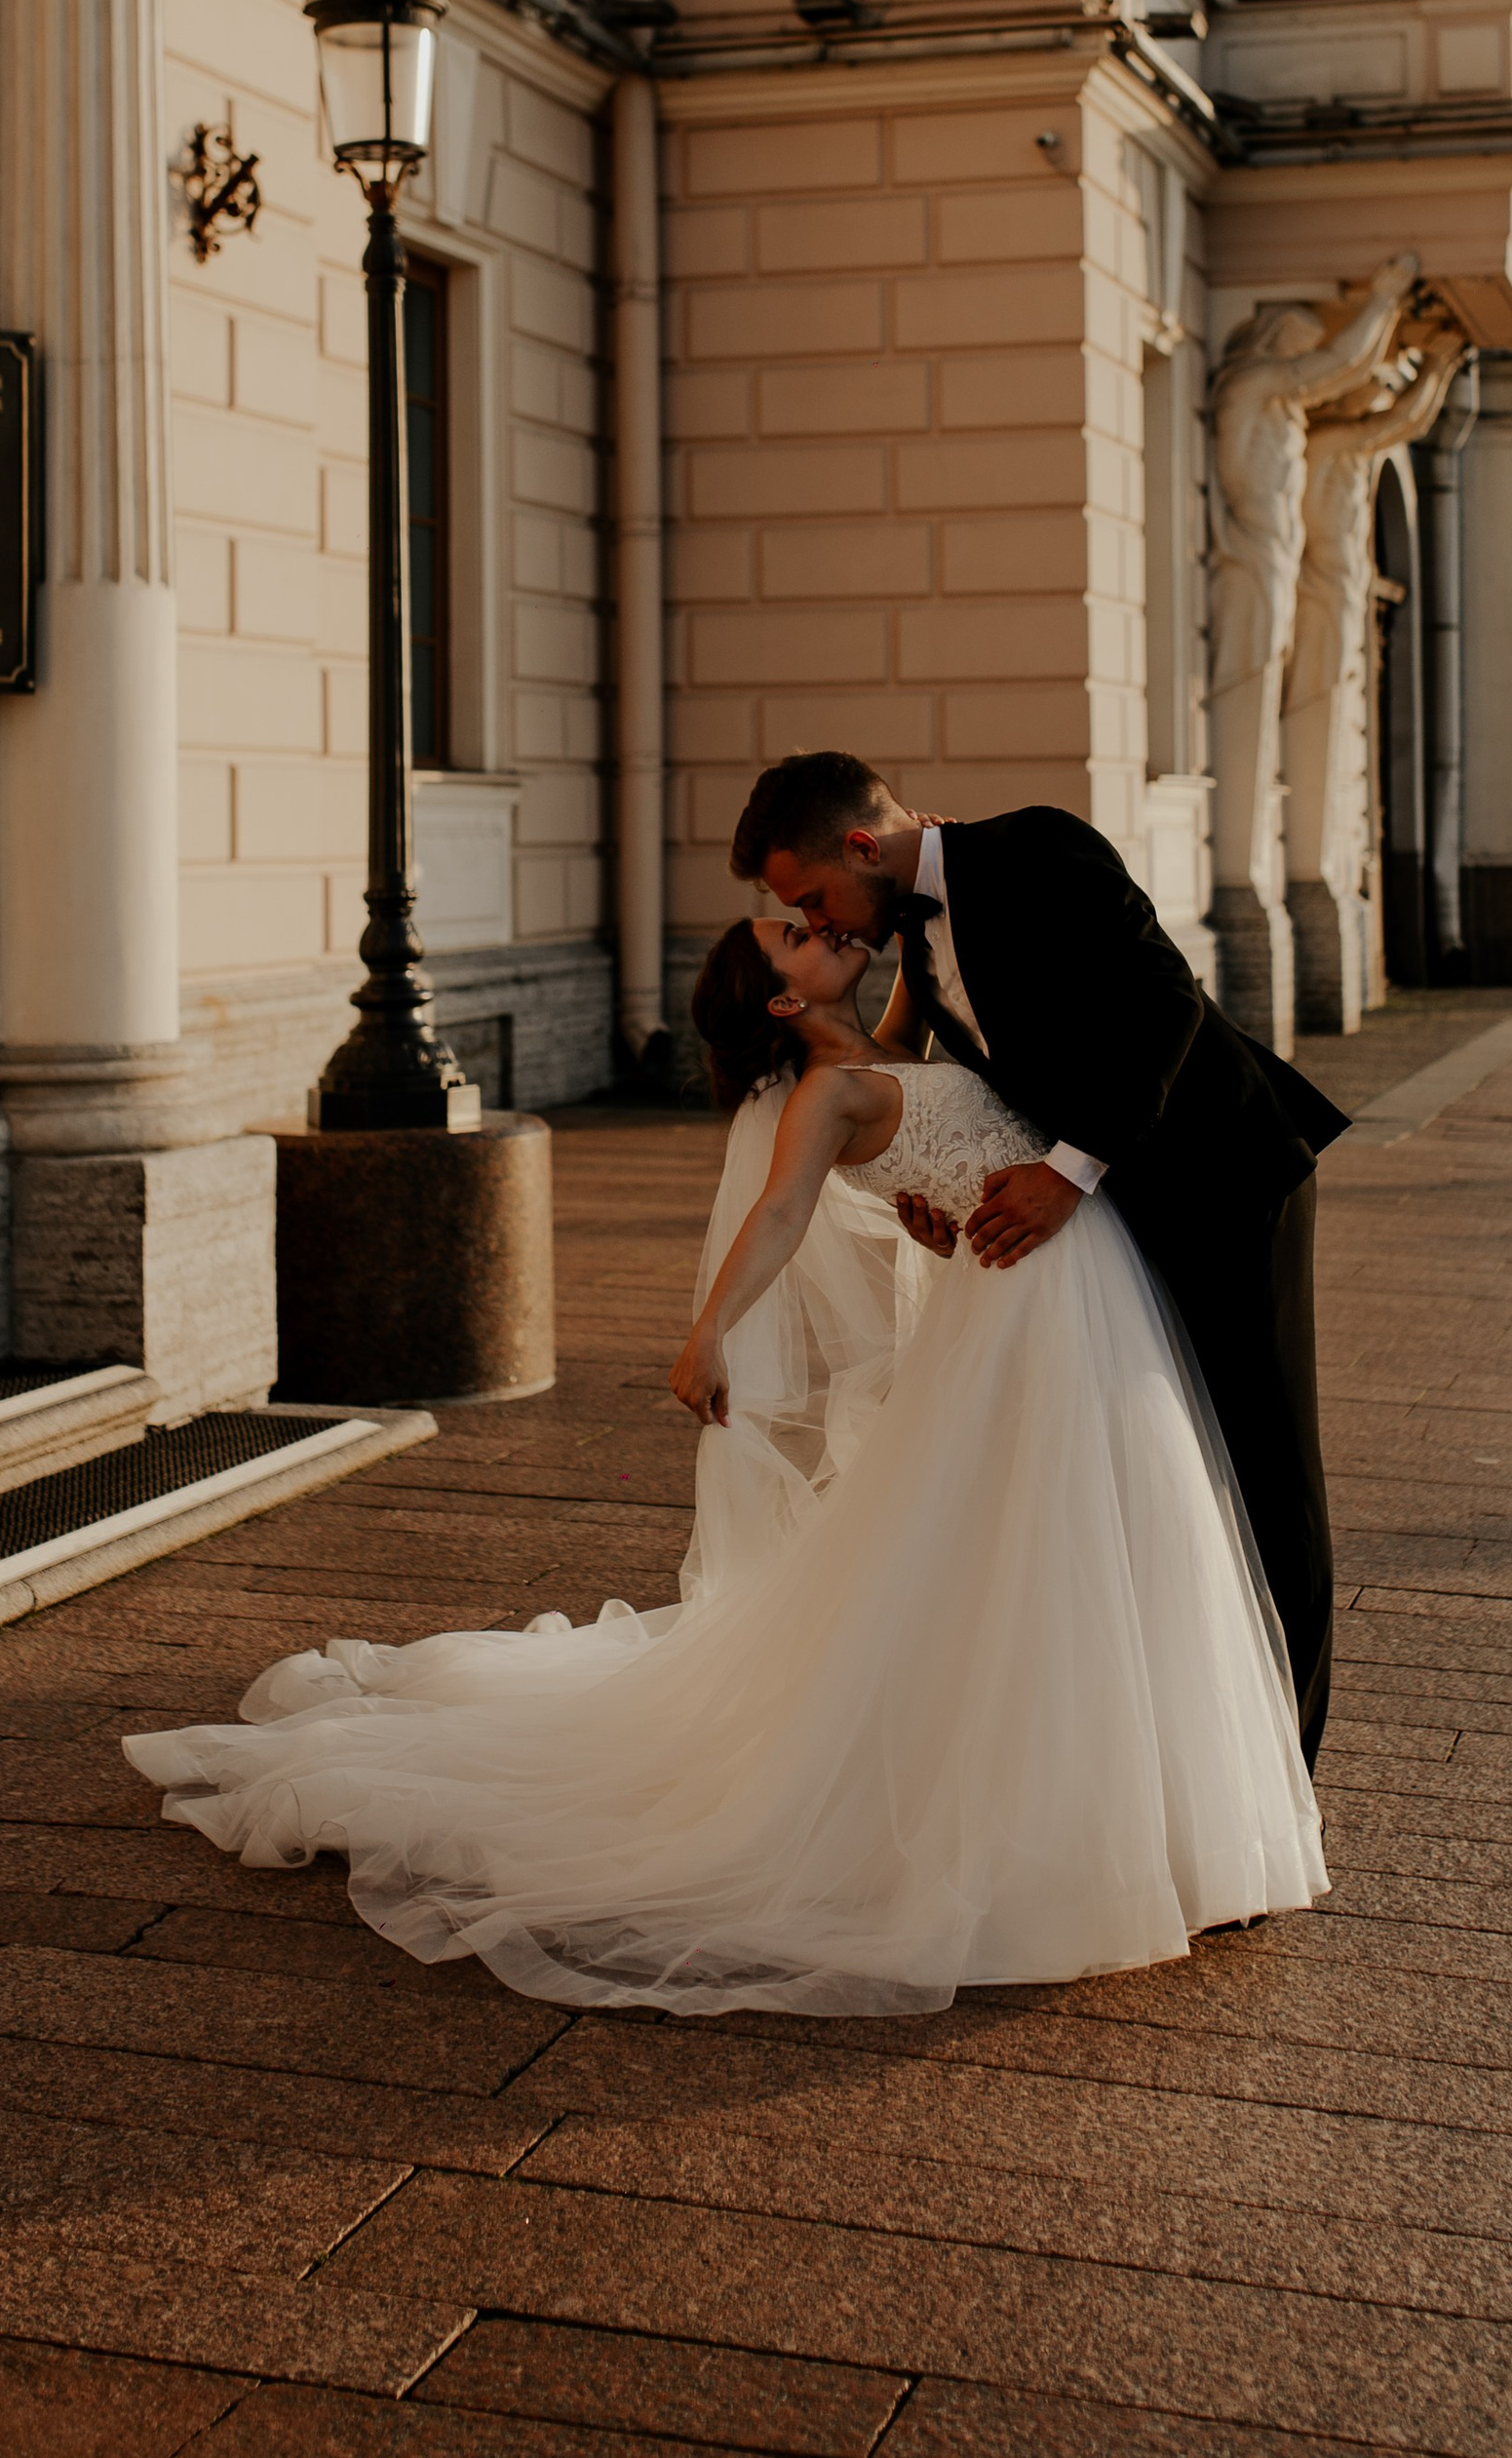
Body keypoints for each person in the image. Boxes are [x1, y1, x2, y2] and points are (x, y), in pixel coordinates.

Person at [122, 906, 1327, 2015]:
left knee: (1100, 1543)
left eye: (812, 920)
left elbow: (955, 1098)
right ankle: (1056, 1831)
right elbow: (783, 1216)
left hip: (1054, 1284)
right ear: (780, 1003)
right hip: (1023, 1309)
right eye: (799, 940)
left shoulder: (908, 1015)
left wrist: (932, 1189)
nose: (824, 934)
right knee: (1035, 1550)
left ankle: (1140, 1815)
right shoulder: (828, 1095)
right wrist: (709, 1333)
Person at [732, 750, 1346, 1758]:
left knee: (1266, 1471)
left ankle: (1290, 1770)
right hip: (1116, 1216)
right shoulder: (916, 959)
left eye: (813, 896)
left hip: (1228, 1181)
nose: (825, 920)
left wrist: (1069, 1171)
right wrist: (928, 1202)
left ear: (859, 844)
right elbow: (953, 1101)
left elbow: (1168, 1003)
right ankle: (1192, 1754)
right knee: (1176, 1475)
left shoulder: (1039, 847)